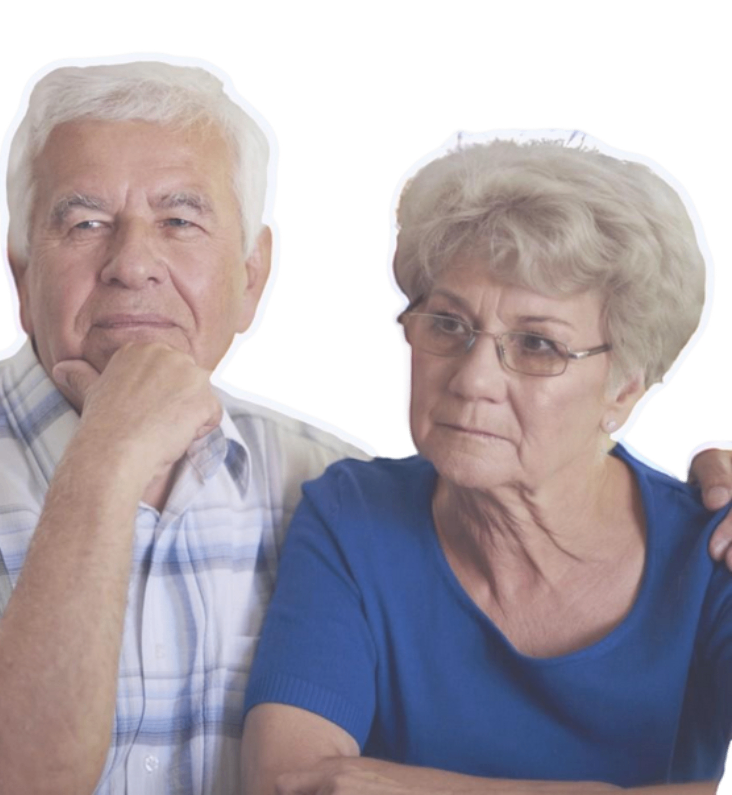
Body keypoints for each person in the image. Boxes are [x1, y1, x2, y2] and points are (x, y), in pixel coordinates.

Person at [0, 65, 729, 795]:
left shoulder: (313, 470)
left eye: (181, 220)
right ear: (19, 269)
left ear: (255, 277)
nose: (133, 265)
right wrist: (105, 463)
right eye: (84, 222)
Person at [242, 137, 731, 794]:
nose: (473, 379)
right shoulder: (352, 516)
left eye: (537, 344)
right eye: (448, 324)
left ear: (623, 387)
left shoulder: (713, 551)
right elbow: (293, 783)